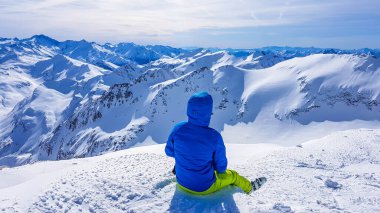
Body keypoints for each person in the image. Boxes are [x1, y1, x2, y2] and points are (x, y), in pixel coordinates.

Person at [165, 91, 265, 195]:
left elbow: (169, 151)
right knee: (233, 175)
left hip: (181, 183)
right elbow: (221, 167)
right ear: (208, 113)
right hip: (204, 187)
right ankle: (250, 187)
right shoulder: (214, 136)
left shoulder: (177, 128)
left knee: (185, 156)